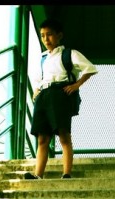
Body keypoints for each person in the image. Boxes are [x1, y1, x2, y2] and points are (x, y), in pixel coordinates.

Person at [26, 18, 98, 179]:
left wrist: (76, 84)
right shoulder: (43, 58)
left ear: (59, 36)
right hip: (43, 95)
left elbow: (90, 69)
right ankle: (38, 174)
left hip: (59, 93)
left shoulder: (69, 54)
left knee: (63, 134)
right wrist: (36, 91)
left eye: (49, 35)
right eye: (43, 36)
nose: (46, 39)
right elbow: (39, 78)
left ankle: (66, 172)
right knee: (42, 137)